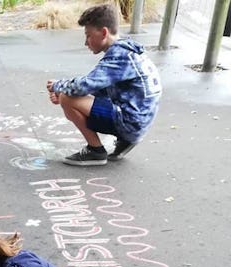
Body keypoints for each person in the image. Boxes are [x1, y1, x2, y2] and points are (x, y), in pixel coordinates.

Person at [46, 3, 162, 166]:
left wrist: (59, 86)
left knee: (67, 98)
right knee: (70, 95)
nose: (86, 42)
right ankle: (124, 141)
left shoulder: (118, 57)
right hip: (139, 119)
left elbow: (84, 86)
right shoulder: (126, 50)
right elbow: (99, 88)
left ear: (104, 32)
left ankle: (96, 151)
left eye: (88, 35)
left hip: (131, 123)